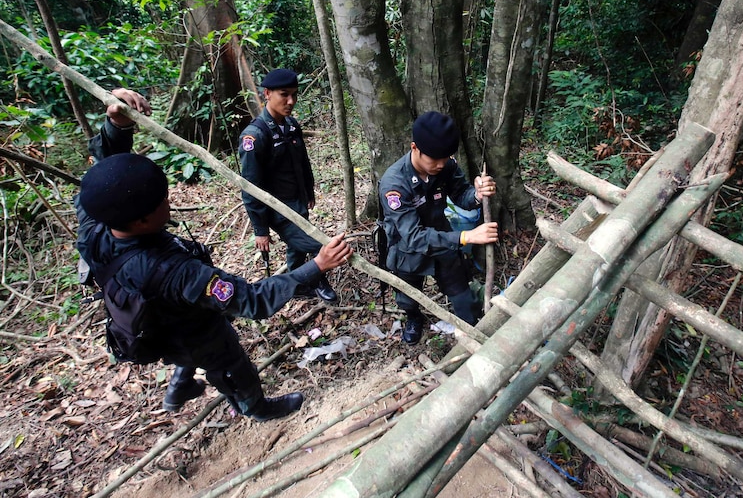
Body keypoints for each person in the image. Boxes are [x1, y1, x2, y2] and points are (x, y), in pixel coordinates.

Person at [76, 89, 353, 421]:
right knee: (230, 363)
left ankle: (182, 380)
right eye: (163, 200)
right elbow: (253, 301)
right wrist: (317, 265)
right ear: (141, 220)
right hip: (191, 329)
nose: (170, 201)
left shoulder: (95, 223)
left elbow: (105, 176)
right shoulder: (176, 272)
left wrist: (117, 126)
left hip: (162, 315)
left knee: (185, 339)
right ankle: (255, 407)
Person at [378, 111, 498, 345]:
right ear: (415, 148)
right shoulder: (394, 184)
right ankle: (414, 318)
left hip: (443, 238)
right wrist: (466, 236)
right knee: (408, 295)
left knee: (461, 292)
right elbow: (413, 237)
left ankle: (470, 328)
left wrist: (477, 194)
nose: (440, 165)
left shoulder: (446, 165)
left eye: (445, 158)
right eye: (434, 159)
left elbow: (461, 195)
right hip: (408, 248)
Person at [238, 69, 337, 303]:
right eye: (284, 95)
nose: (291, 101)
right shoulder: (255, 135)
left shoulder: (291, 125)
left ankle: (298, 284)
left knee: (297, 246)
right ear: (267, 94)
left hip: (297, 200)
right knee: (316, 244)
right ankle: (315, 278)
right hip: (278, 209)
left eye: (294, 95)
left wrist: (308, 191)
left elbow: (302, 162)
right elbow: (250, 186)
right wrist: (260, 229)